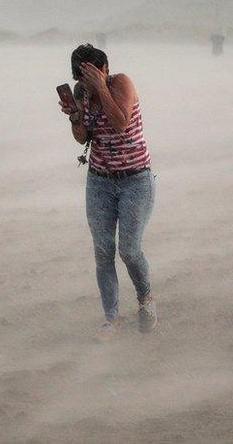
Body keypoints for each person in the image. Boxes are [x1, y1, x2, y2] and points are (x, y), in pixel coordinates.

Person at [58, 44, 157, 341]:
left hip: (135, 180)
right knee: (103, 252)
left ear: (105, 69)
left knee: (129, 250)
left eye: (90, 75)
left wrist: (102, 88)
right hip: (99, 181)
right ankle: (110, 319)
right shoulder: (82, 93)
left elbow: (120, 123)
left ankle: (146, 299)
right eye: (81, 77)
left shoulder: (121, 83)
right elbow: (81, 139)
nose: (84, 83)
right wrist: (75, 116)